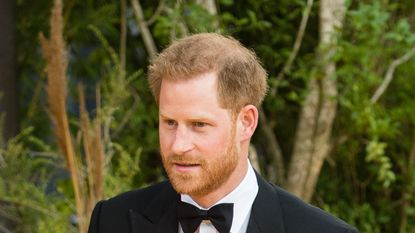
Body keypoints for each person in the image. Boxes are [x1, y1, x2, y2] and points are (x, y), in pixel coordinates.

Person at [87, 33, 358, 233]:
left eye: (199, 125)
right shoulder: (112, 220)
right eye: (169, 123)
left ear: (246, 122)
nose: (178, 145)